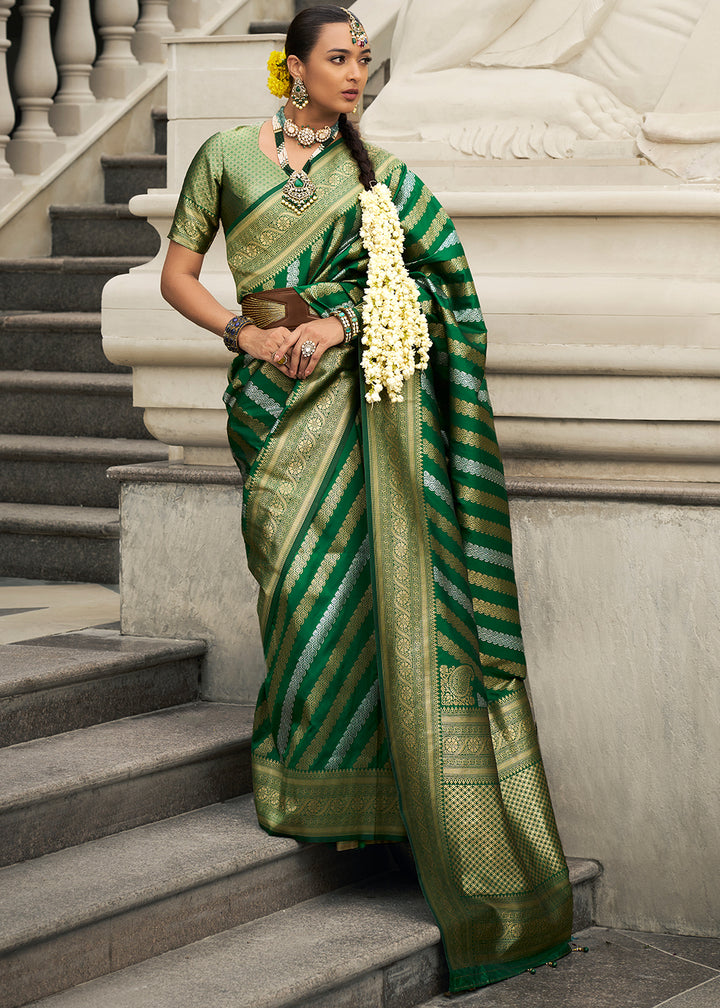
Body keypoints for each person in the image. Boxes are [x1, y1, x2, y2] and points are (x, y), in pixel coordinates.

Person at [160, 4, 573, 993]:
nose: (356, 72)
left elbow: (445, 295)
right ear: (290, 68)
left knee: (371, 601)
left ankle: (379, 809)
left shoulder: (380, 180)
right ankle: (309, 795)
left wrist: (346, 323)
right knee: (301, 594)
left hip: (359, 406)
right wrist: (240, 333)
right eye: (339, 58)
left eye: (365, 59)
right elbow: (179, 275)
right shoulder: (226, 155)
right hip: (270, 404)